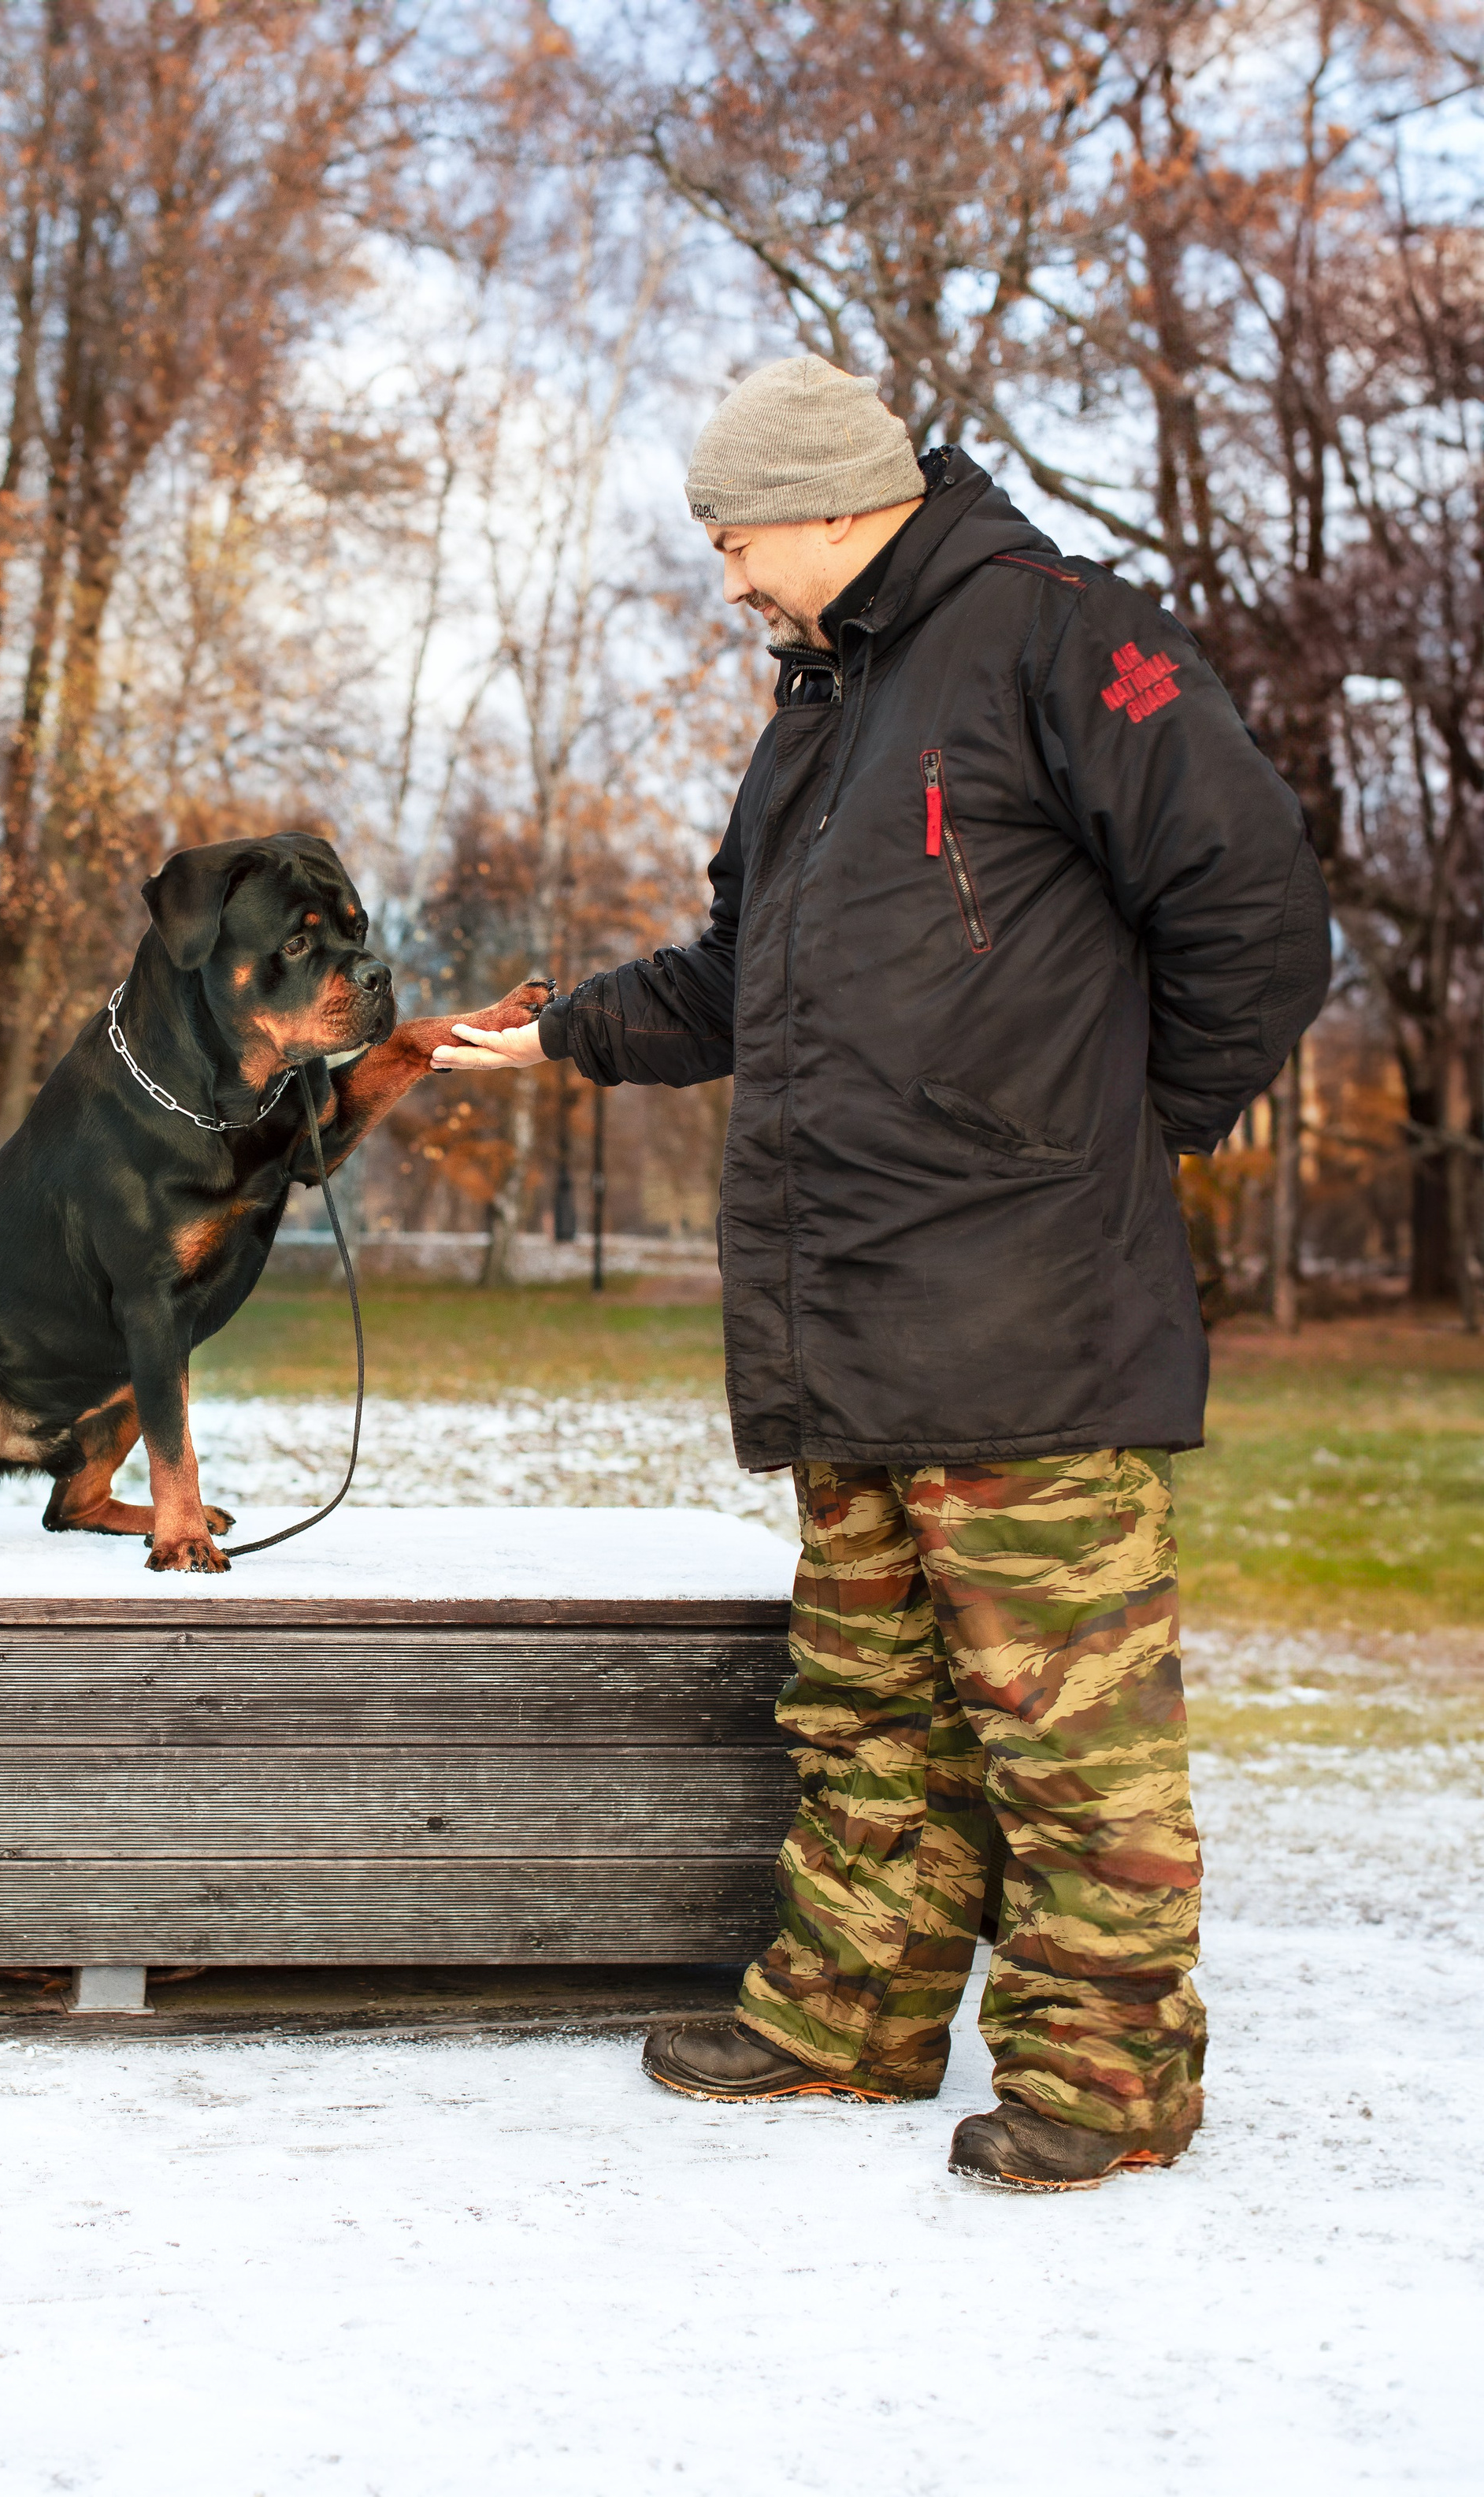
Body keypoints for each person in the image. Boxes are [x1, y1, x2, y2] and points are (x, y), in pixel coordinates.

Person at [432, 354, 1330, 2192]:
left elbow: (1255, 919)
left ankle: (1105, 2083)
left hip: (1025, 1310)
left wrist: (1104, 1137)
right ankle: (847, 2021)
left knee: (1062, 1729)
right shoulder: (821, 709)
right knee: (864, 1700)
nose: (729, 575)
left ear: (836, 505)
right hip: (842, 1300)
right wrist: (555, 1041)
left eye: (734, 536)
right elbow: (732, 978)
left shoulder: (1060, 639)